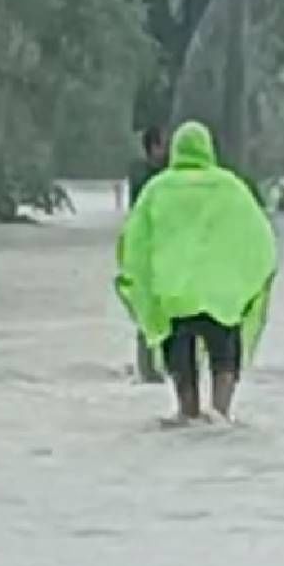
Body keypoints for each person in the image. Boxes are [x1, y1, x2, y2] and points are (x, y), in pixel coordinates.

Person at [116, 121, 277, 424]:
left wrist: (137, 283)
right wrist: (248, 278)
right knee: (224, 357)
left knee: (181, 360)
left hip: (174, 293)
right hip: (221, 296)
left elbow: (135, 242)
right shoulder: (231, 187)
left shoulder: (158, 189)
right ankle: (221, 415)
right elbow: (259, 237)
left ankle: (187, 413)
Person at [128, 126, 169, 384]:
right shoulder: (150, 176)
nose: (169, 150)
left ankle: (150, 366)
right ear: (154, 147)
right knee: (151, 309)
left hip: (150, 248)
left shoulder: (141, 173)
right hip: (152, 249)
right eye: (164, 144)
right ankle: (148, 369)